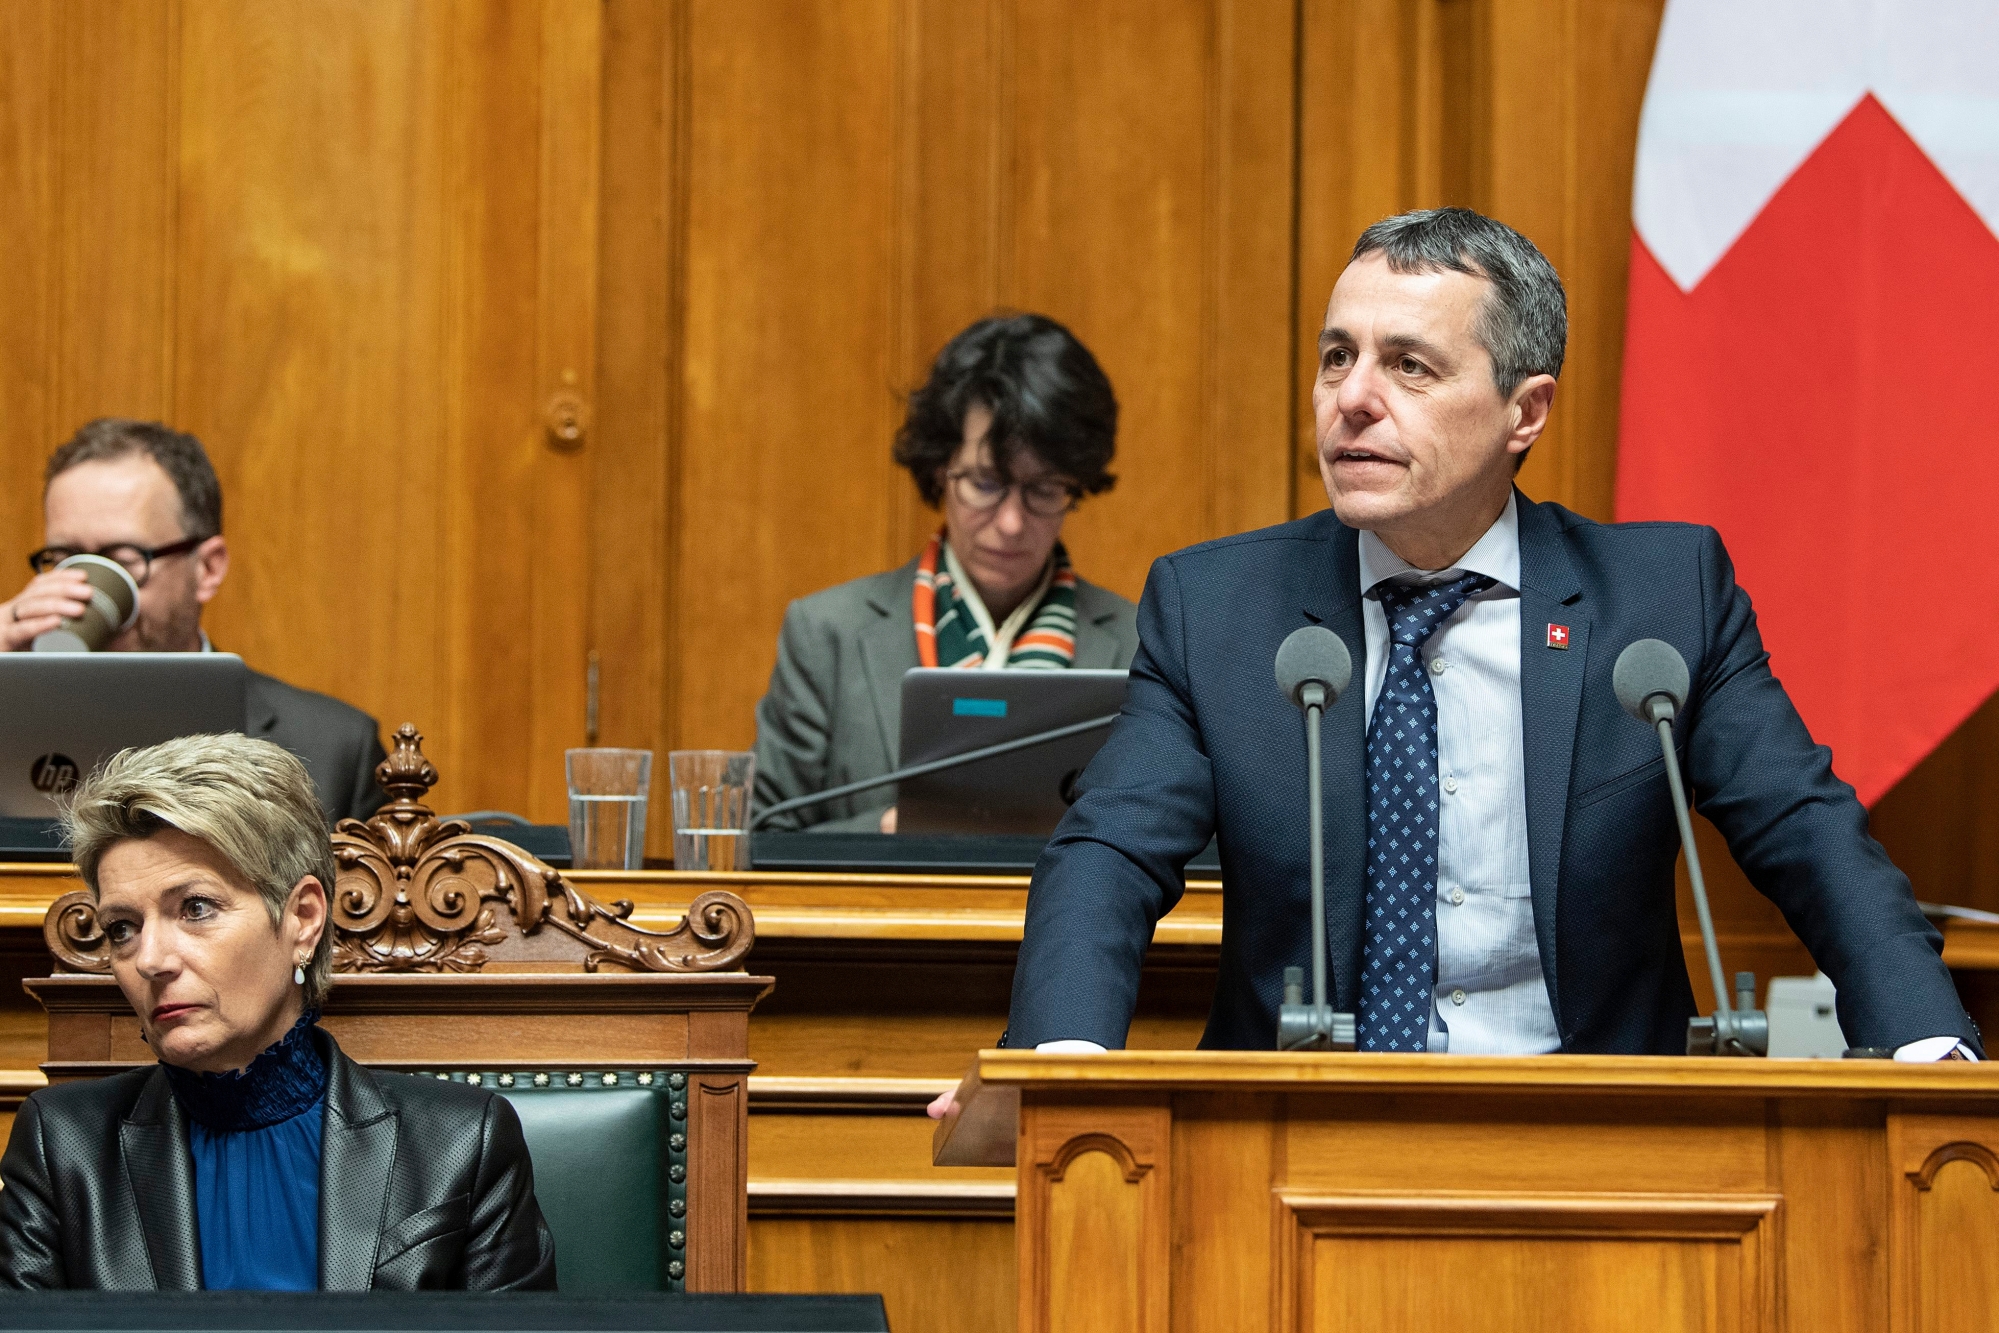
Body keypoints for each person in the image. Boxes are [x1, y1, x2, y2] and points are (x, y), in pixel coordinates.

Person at [999, 207, 1979, 1062]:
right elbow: (1110, 850)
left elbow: (1803, 828)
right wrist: (1063, 1058)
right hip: (1291, 1138)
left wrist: (1925, 1043)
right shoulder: (1216, 605)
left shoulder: (1659, 603)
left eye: (1408, 365)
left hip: (1598, 1141)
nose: (1351, 398)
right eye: (1337, 355)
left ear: (1525, 410)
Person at [0, 733, 557, 1290]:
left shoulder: (461, 1142)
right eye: (123, 927)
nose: (150, 960)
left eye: (195, 908)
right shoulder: (63, 1147)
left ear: (303, 920)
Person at [755, 313, 1140, 833]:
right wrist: (893, 827)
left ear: (1078, 488)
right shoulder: (829, 634)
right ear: (941, 468)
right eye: (985, 483)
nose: (1010, 522)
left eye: (1045, 490)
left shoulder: (1145, 644)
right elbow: (762, 843)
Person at [1, 419, 388, 823]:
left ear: (207, 569)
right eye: (66, 558)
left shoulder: (334, 749)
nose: (86, 591)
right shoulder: (7, 720)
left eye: (121, 558)